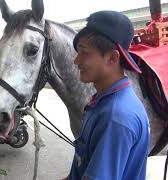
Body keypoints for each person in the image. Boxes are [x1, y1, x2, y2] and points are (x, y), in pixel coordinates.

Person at [63, 11, 150, 180]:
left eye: (84, 53)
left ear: (112, 58)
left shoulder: (115, 117)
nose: (76, 61)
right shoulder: (102, 101)